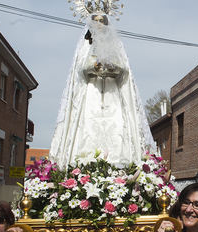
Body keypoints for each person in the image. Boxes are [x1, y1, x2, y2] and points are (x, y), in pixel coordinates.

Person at [49, 10, 154, 168]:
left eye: (101, 21)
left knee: (118, 126)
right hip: (91, 91)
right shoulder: (85, 45)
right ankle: (84, 165)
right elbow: (79, 70)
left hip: (113, 93)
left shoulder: (116, 46)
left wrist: (113, 66)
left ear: (106, 24)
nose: (98, 24)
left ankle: (120, 165)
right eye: (95, 21)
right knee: (88, 127)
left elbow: (125, 70)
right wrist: (94, 65)